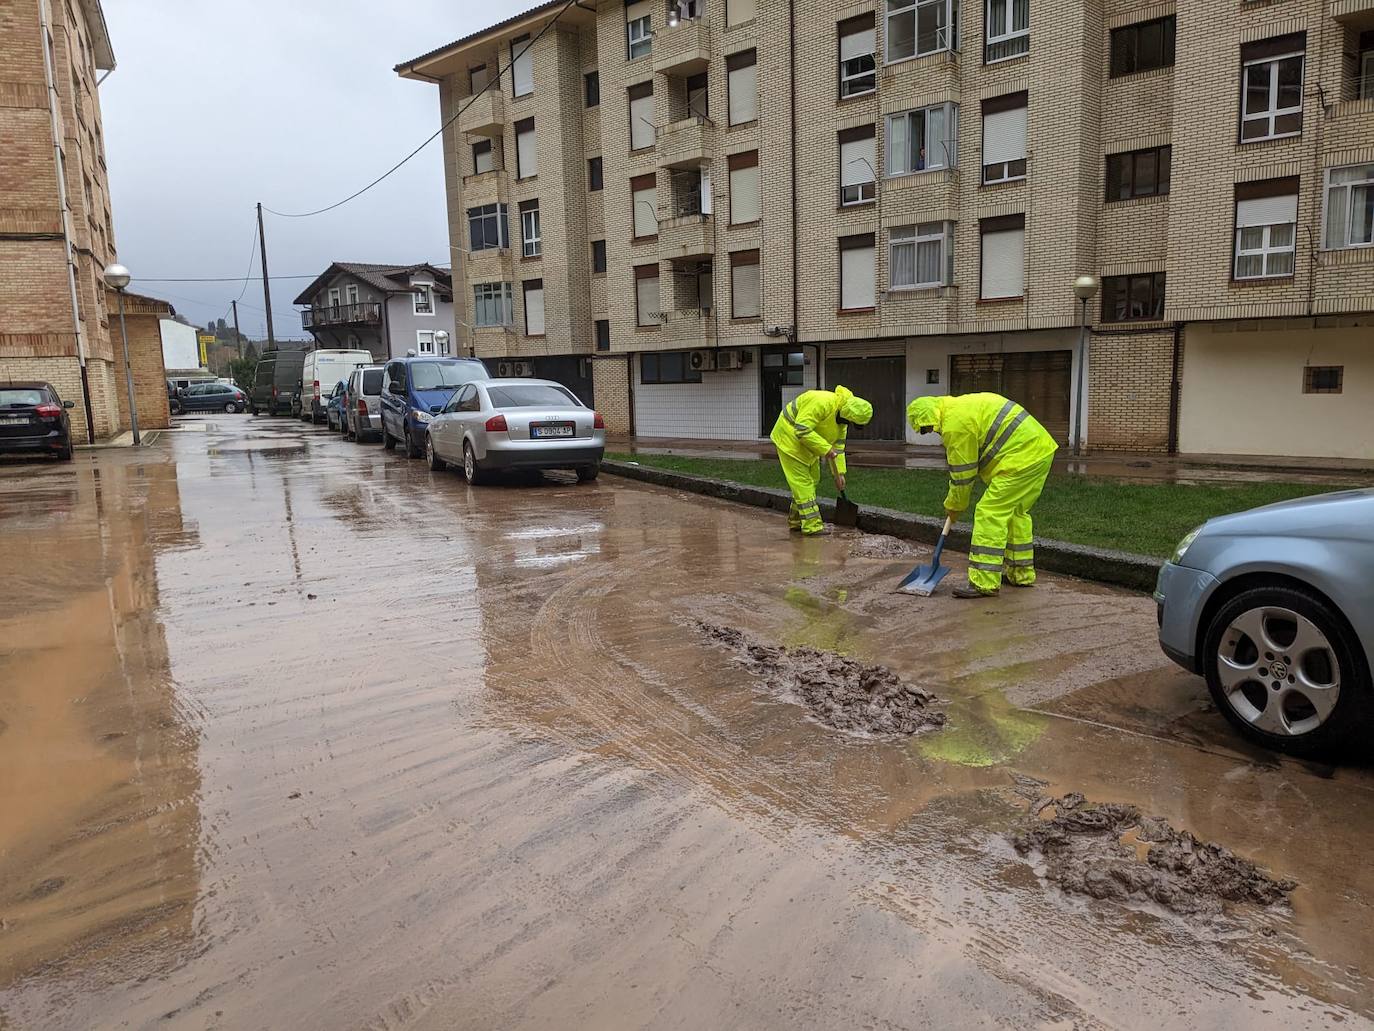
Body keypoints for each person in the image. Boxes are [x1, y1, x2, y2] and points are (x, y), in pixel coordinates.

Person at [906, 392, 1057, 598]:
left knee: (989, 513)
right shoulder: (958, 407)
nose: (932, 432)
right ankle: (1020, 574)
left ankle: (984, 583)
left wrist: (954, 506)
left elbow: (962, 477)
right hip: (1040, 450)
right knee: (1015, 513)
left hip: (1020, 457)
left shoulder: (955, 425)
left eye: (928, 428)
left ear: (930, 416)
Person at [770, 385, 873, 535]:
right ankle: (812, 526)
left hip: (807, 446)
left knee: (813, 480)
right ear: (848, 413)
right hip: (788, 438)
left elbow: (838, 448)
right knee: (803, 483)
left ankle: (796, 521)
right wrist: (825, 448)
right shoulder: (822, 402)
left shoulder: (843, 420)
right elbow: (801, 429)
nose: (849, 425)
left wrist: (840, 474)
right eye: (851, 422)